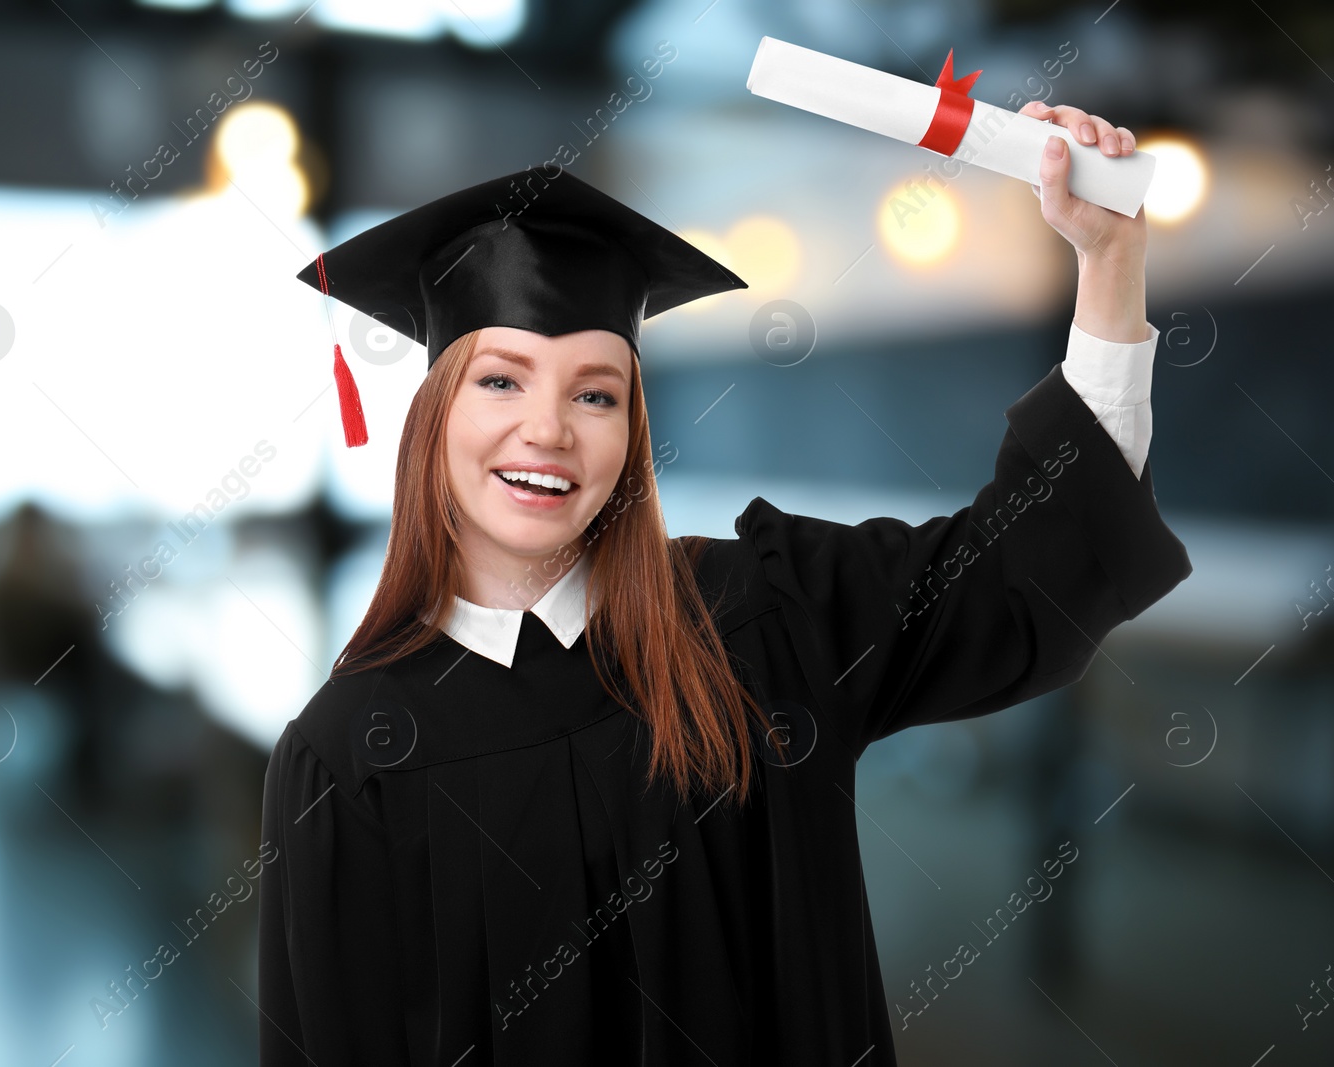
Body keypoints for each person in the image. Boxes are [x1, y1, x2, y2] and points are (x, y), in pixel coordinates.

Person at [258, 101, 1191, 1066]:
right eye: (501, 380)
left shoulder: (763, 617)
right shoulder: (348, 759)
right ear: (432, 417)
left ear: (632, 434)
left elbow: (1022, 574)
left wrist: (1110, 262)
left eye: (595, 393)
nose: (548, 429)